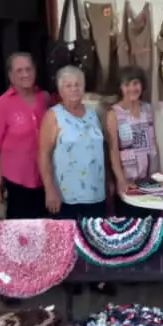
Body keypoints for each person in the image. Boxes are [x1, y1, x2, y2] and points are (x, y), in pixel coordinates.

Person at [38, 65, 107, 220]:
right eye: (68, 86)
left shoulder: (93, 114)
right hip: (66, 197)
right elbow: (43, 154)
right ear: (60, 91)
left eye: (77, 85)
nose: (74, 89)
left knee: (94, 234)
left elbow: (102, 151)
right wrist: (49, 190)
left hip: (96, 195)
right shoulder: (53, 115)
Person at [0, 52, 50, 220]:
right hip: (16, 183)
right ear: (11, 76)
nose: (25, 74)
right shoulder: (3, 104)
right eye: (19, 70)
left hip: (44, 180)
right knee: (19, 231)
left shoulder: (44, 98)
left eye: (29, 69)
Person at [105, 66, 160, 217]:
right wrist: (121, 180)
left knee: (153, 222)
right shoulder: (114, 113)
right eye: (127, 84)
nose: (132, 88)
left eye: (136, 83)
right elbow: (113, 150)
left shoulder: (148, 109)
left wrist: (158, 176)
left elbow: (153, 142)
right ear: (120, 88)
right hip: (128, 181)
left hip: (150, 180)